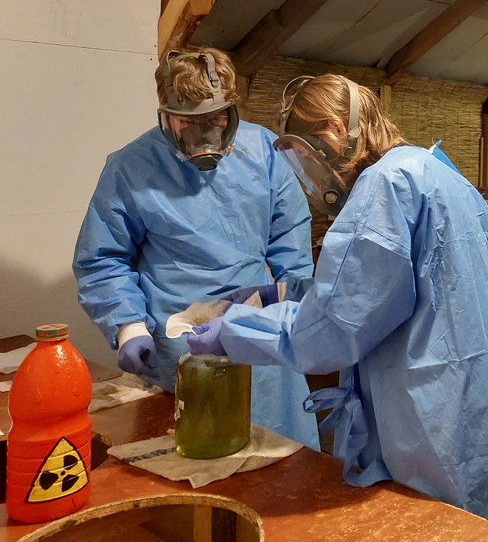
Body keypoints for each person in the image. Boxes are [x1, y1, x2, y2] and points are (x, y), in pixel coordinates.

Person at [187, 73, 488, 535]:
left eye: (306, 155)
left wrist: (236, 331)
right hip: (481, 396)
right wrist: (283, 295)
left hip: (432, 418)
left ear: (335, 130)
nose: (310, 176)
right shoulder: (437, 172)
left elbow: (338, 327)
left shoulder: (384, 185)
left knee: (435, 527)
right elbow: (403, 290)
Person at [73, 48, 319, 449]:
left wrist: (292, 317)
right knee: (191, 453)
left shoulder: (264, 152)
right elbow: (103, 258)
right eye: (188, 122)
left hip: (257, 331)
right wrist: (129, 325)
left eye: (217, 119)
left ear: (232, 109)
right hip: (179, 343)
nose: (205, 134)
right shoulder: (132, 167)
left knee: (281, 458)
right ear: (165, 113)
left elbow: (291, 248)